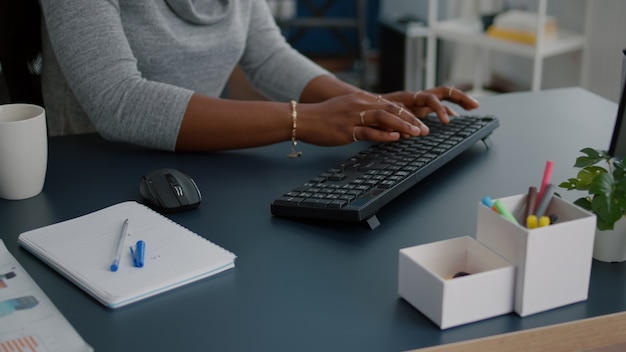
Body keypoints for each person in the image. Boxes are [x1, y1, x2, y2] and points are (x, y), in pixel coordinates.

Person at [39, 0, 479, 153]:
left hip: (194, 163)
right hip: (90, 176)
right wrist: (302, 120)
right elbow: (120, 102)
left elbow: (267, 56)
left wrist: (370, 107)